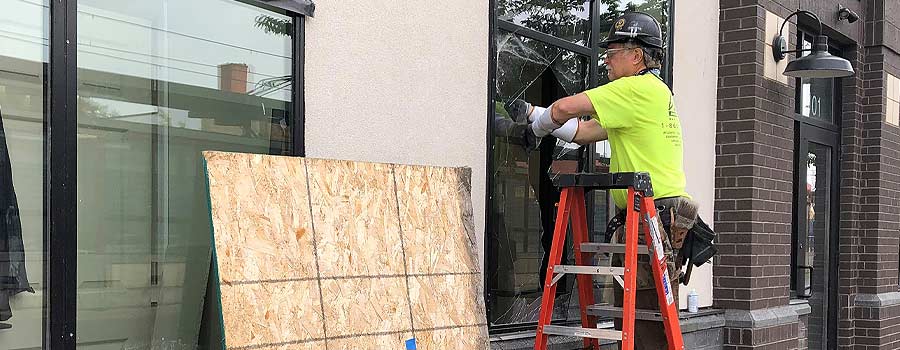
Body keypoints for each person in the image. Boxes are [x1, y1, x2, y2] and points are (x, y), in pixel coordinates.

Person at [519, 11, 699, 349]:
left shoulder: (635, 89)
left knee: (643, 323)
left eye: (613, 51)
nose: (606, 59)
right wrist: (531, 112)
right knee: (641, 316)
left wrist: (536, 127)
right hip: (655, 215)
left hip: (650, 215)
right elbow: (583, 132)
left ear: (635, 55)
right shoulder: (651, 94)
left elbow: (561, 110)